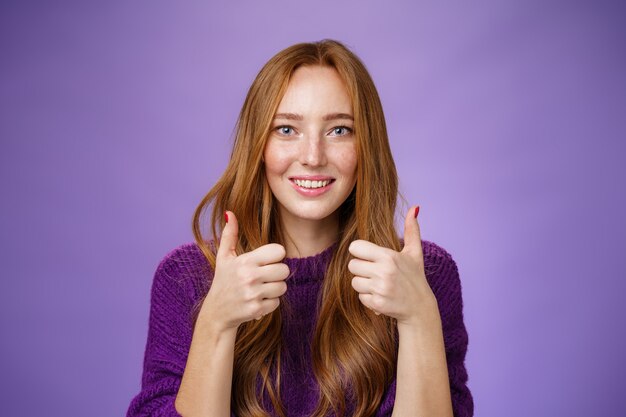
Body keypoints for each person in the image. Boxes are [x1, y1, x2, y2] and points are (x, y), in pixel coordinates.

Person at [127, 39, 473, 417]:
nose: (312, 157)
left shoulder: (424, 276)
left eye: (339, 130)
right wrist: (215, 322)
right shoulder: (187, 277)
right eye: (287, 130)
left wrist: (419, 316)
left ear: (367, 145)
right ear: (257, 144)